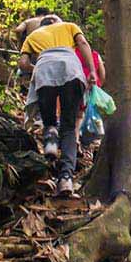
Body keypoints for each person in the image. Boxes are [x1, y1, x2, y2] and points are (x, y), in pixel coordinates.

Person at [18, 16, 97, 196]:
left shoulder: (32, 36)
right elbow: (83, 43)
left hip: (44, 69)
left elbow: (22, 63)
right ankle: (66, 179)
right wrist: (91, 71)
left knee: (49, 120)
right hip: (71, 69)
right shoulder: (69, 26)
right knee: (69, 128)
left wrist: (37, 67)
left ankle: (51, 140)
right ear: (55, 23)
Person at [75, 47, 106, 152]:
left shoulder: (73, 52)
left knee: (78, 114)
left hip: (76, 84)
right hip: (91, 87)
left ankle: (76, 138)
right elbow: (102, 74)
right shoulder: (95, 55)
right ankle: (97, 140)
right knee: (93, 113)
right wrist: (98, 86)